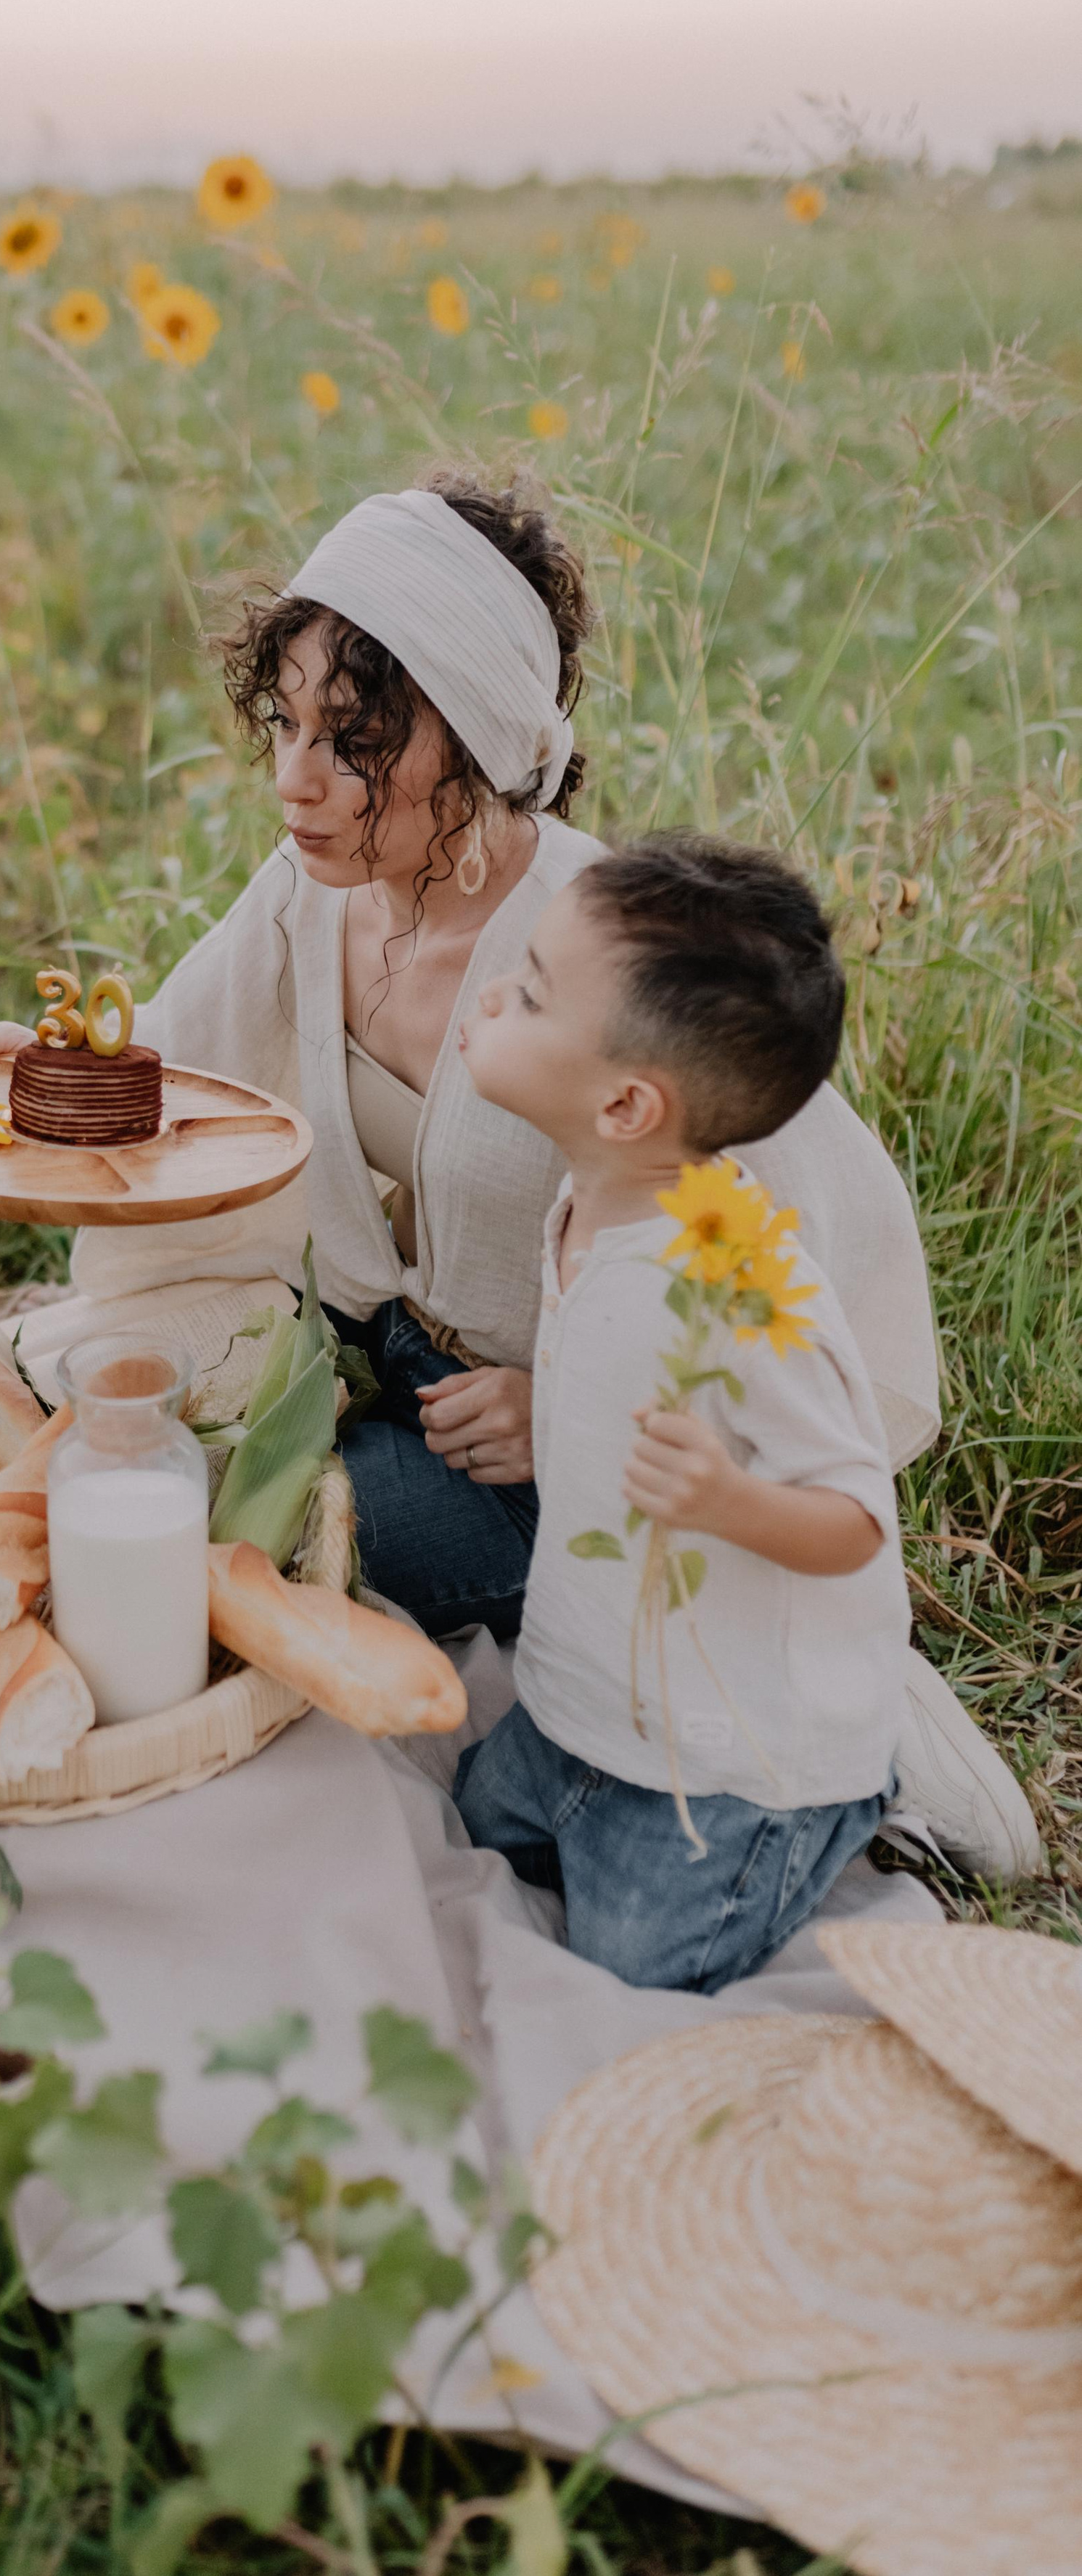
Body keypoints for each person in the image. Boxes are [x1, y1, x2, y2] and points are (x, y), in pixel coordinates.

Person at [0, 470, 940, 1640]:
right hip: (373, 1343)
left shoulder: (601, 948)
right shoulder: (313, 890)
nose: (293, 780)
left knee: (205, 1531)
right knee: (89, 1421)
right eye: (288, 724)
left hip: (528, 1454)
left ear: (474, 738)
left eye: (353, 741)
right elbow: (183, 1061)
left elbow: (805, 1270)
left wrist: (570, 1410)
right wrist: (45, 1065)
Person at [451, 832, 909, 1991]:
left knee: (640, 1967)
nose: (493, 992)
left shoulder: (744, 1279)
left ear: (624, 1103)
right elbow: (612, 1356)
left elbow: (856, 1515)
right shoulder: (594, 1201)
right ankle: (579, 1769)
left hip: (722, 1759)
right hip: (583, 1694)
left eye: (532, 992)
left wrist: (732, 1499)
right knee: (478, 1817)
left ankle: (831, 1817)